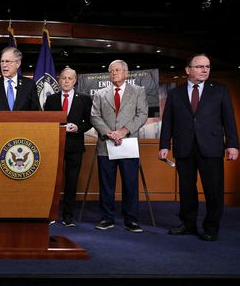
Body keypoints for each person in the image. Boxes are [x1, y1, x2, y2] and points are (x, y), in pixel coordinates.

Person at [159, 54, 238, 242]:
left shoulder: (220, 90)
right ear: (188, 70)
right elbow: (168, 121)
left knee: (213, 189)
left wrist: (232, 144)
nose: (205, 70)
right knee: (187, 189)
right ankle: (188, 224)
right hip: (184, 147)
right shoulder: (175, 93)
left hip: (211, 147)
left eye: (207, 67)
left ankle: (211, 228)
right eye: (200, 66)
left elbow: (229, 119)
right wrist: (164, 145)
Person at [91, 59, 148, 233]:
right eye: (111, 71)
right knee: (106, 184)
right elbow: (95, 116)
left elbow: (142, 114)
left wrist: (123, 131)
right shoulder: (100, 93)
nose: (114, 73)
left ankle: (131, 220)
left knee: (130, 183)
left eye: (117, 70)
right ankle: (107, 218)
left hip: (128, 143)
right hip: (106, 143)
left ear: (126, 73)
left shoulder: (138, 91)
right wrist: (109, 133)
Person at [43, 67, 92, 227]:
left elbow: (89, 121)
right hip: (54, 146)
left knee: (71, 182)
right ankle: (51, 214)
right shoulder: (51, 100)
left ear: (75, 81)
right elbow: (46, 122)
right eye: (63, 78)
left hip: (75, 146)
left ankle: (68, 216)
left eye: (70, 78)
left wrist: (78, 127)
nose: (66, 81)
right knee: (52, 181)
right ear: (59, 80)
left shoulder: (84, 99)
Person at [0, 46, 40, 111]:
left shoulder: (29, 85)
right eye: (2, 61)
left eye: (7, 61)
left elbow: (36, 112)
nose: (4, 65)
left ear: (18, 64)